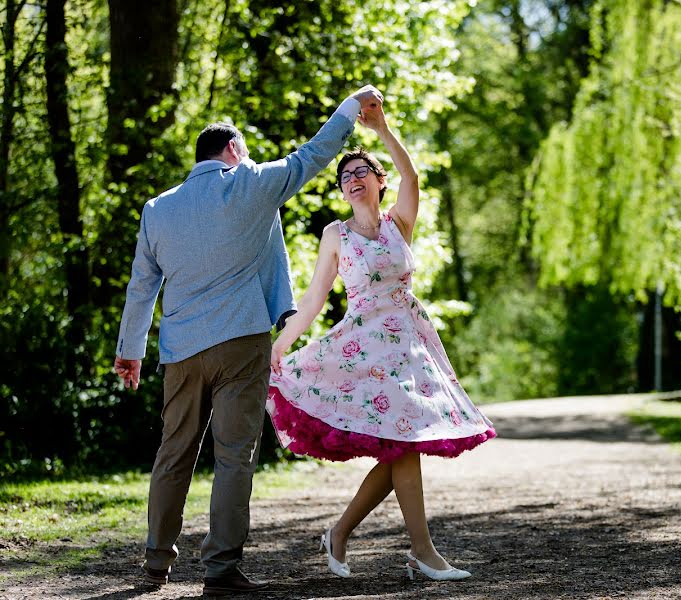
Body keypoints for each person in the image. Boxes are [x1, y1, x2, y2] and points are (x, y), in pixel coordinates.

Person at [113, 84, 383, 596]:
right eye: (246, 152)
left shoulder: (158, 209)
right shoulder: (252, 182)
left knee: (174, 452)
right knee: (234, 455)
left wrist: (131, 350)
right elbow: (313, 155)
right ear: (234, 151)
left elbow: (142, 286)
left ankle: (155, 563)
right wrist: (352, 106)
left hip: (181, 350)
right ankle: (220, 569)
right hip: (242, 340)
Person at [267, 104, 496, 582]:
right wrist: (280, 345)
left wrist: (384, 130)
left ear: (377, 181)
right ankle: (421, 552)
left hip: (410, 347)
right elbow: (311, 301)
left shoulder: (398, 224)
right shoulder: (335, 235)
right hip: (364, 351)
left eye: (361, 172)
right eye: (345, 175)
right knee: (403, 446)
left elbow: (412, 175)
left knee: (400, 448)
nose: (352, 179)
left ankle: (342, 533)